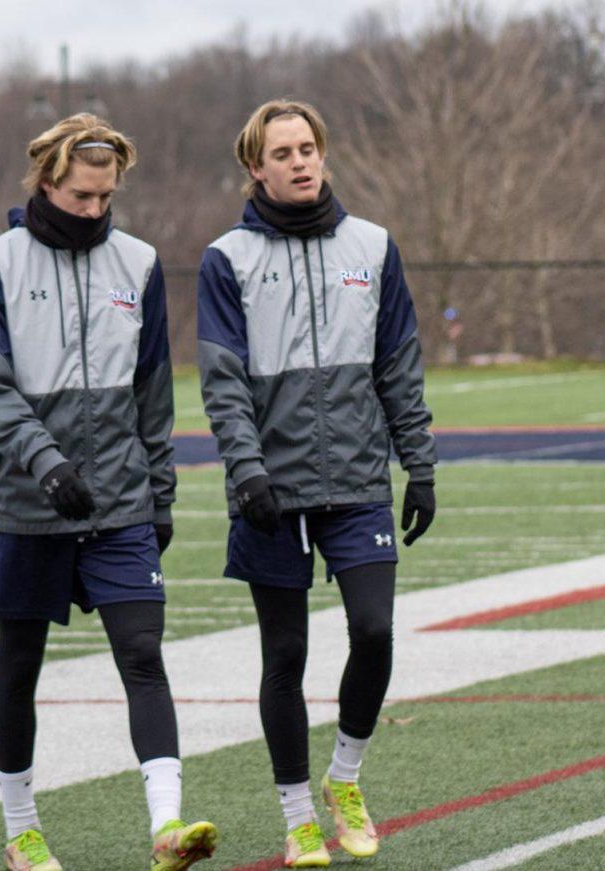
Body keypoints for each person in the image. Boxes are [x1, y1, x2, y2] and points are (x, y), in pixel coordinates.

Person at [0, 113, 217, 871]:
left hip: (119, 504)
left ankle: (167, 828)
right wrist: (45, 463)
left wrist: (160, 492)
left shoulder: (137, 263)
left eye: (105, 197)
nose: (94, 210)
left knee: (143, 654)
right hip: (24, 502)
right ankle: (22, 830)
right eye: (81, 195)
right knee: (20, 663)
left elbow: (152, 392)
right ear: (47, 182)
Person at [197, 99, 437, 868]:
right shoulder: (225, 259)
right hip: (272, 491)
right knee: (286, 653)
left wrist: (420, 464)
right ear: (255, 168)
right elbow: (223, 382)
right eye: (284, 152)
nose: (300, 162)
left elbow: (398, 364)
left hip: (360, 481)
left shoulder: (373, 245)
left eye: (310, 148)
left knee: (373, 631)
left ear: (324, 156)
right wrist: (248, 470)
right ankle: (299, 816)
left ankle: (345, 779)